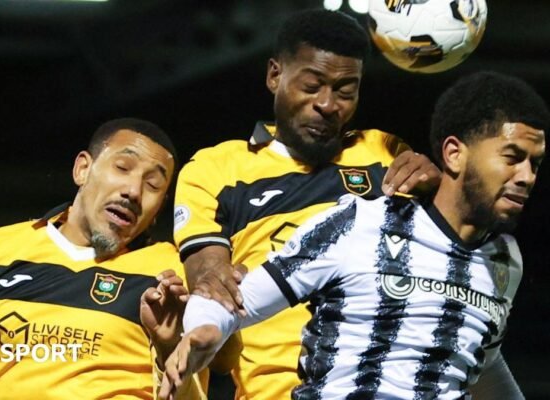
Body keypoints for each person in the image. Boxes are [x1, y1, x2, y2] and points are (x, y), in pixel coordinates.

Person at [160, 70, 549, 399]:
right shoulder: (358, 224)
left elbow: (480, 356)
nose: (527, 177)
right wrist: (203, 329)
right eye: (512, 157)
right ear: (453, 154)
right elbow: (231, 301)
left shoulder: (505, 261)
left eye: (535, 164)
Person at [172, 9, 441, 399]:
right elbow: (210, 280)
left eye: (345, 91)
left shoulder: (384, 154)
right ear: (275, 75)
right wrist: (212, 281)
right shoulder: (216, 169)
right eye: (312, 86)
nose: (328, 104)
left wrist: (440, 195)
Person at [0, 118, 205, 399]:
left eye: (153, 184)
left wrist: (169, 348)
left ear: (158, 209)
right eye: (122, 168)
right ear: (83, 169)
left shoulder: (175, 279)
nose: (133, 191)